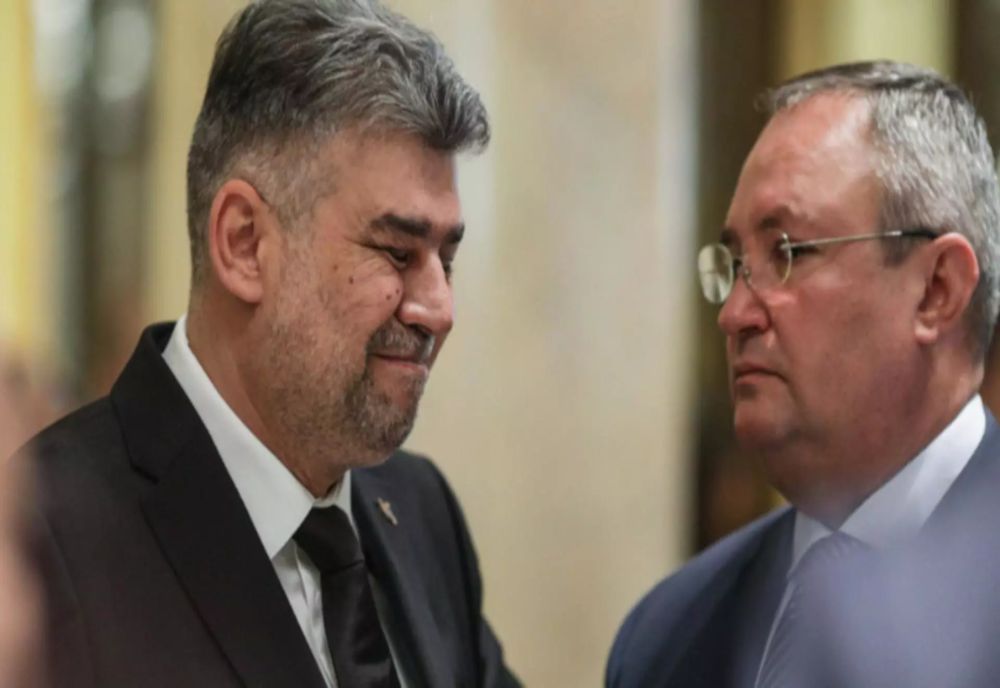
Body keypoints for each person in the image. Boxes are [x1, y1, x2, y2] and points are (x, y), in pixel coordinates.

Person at [18, 1, 519, 686]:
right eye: (398, 253)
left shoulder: (422, 512)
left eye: (447, 260)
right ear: (244, 244)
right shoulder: (42, 540)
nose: (439, 309)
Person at [607, 60, 1000, 687]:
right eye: (735, 264)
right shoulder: (669, 634)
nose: (734, 314)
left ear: (937, 289)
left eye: (787, 252)